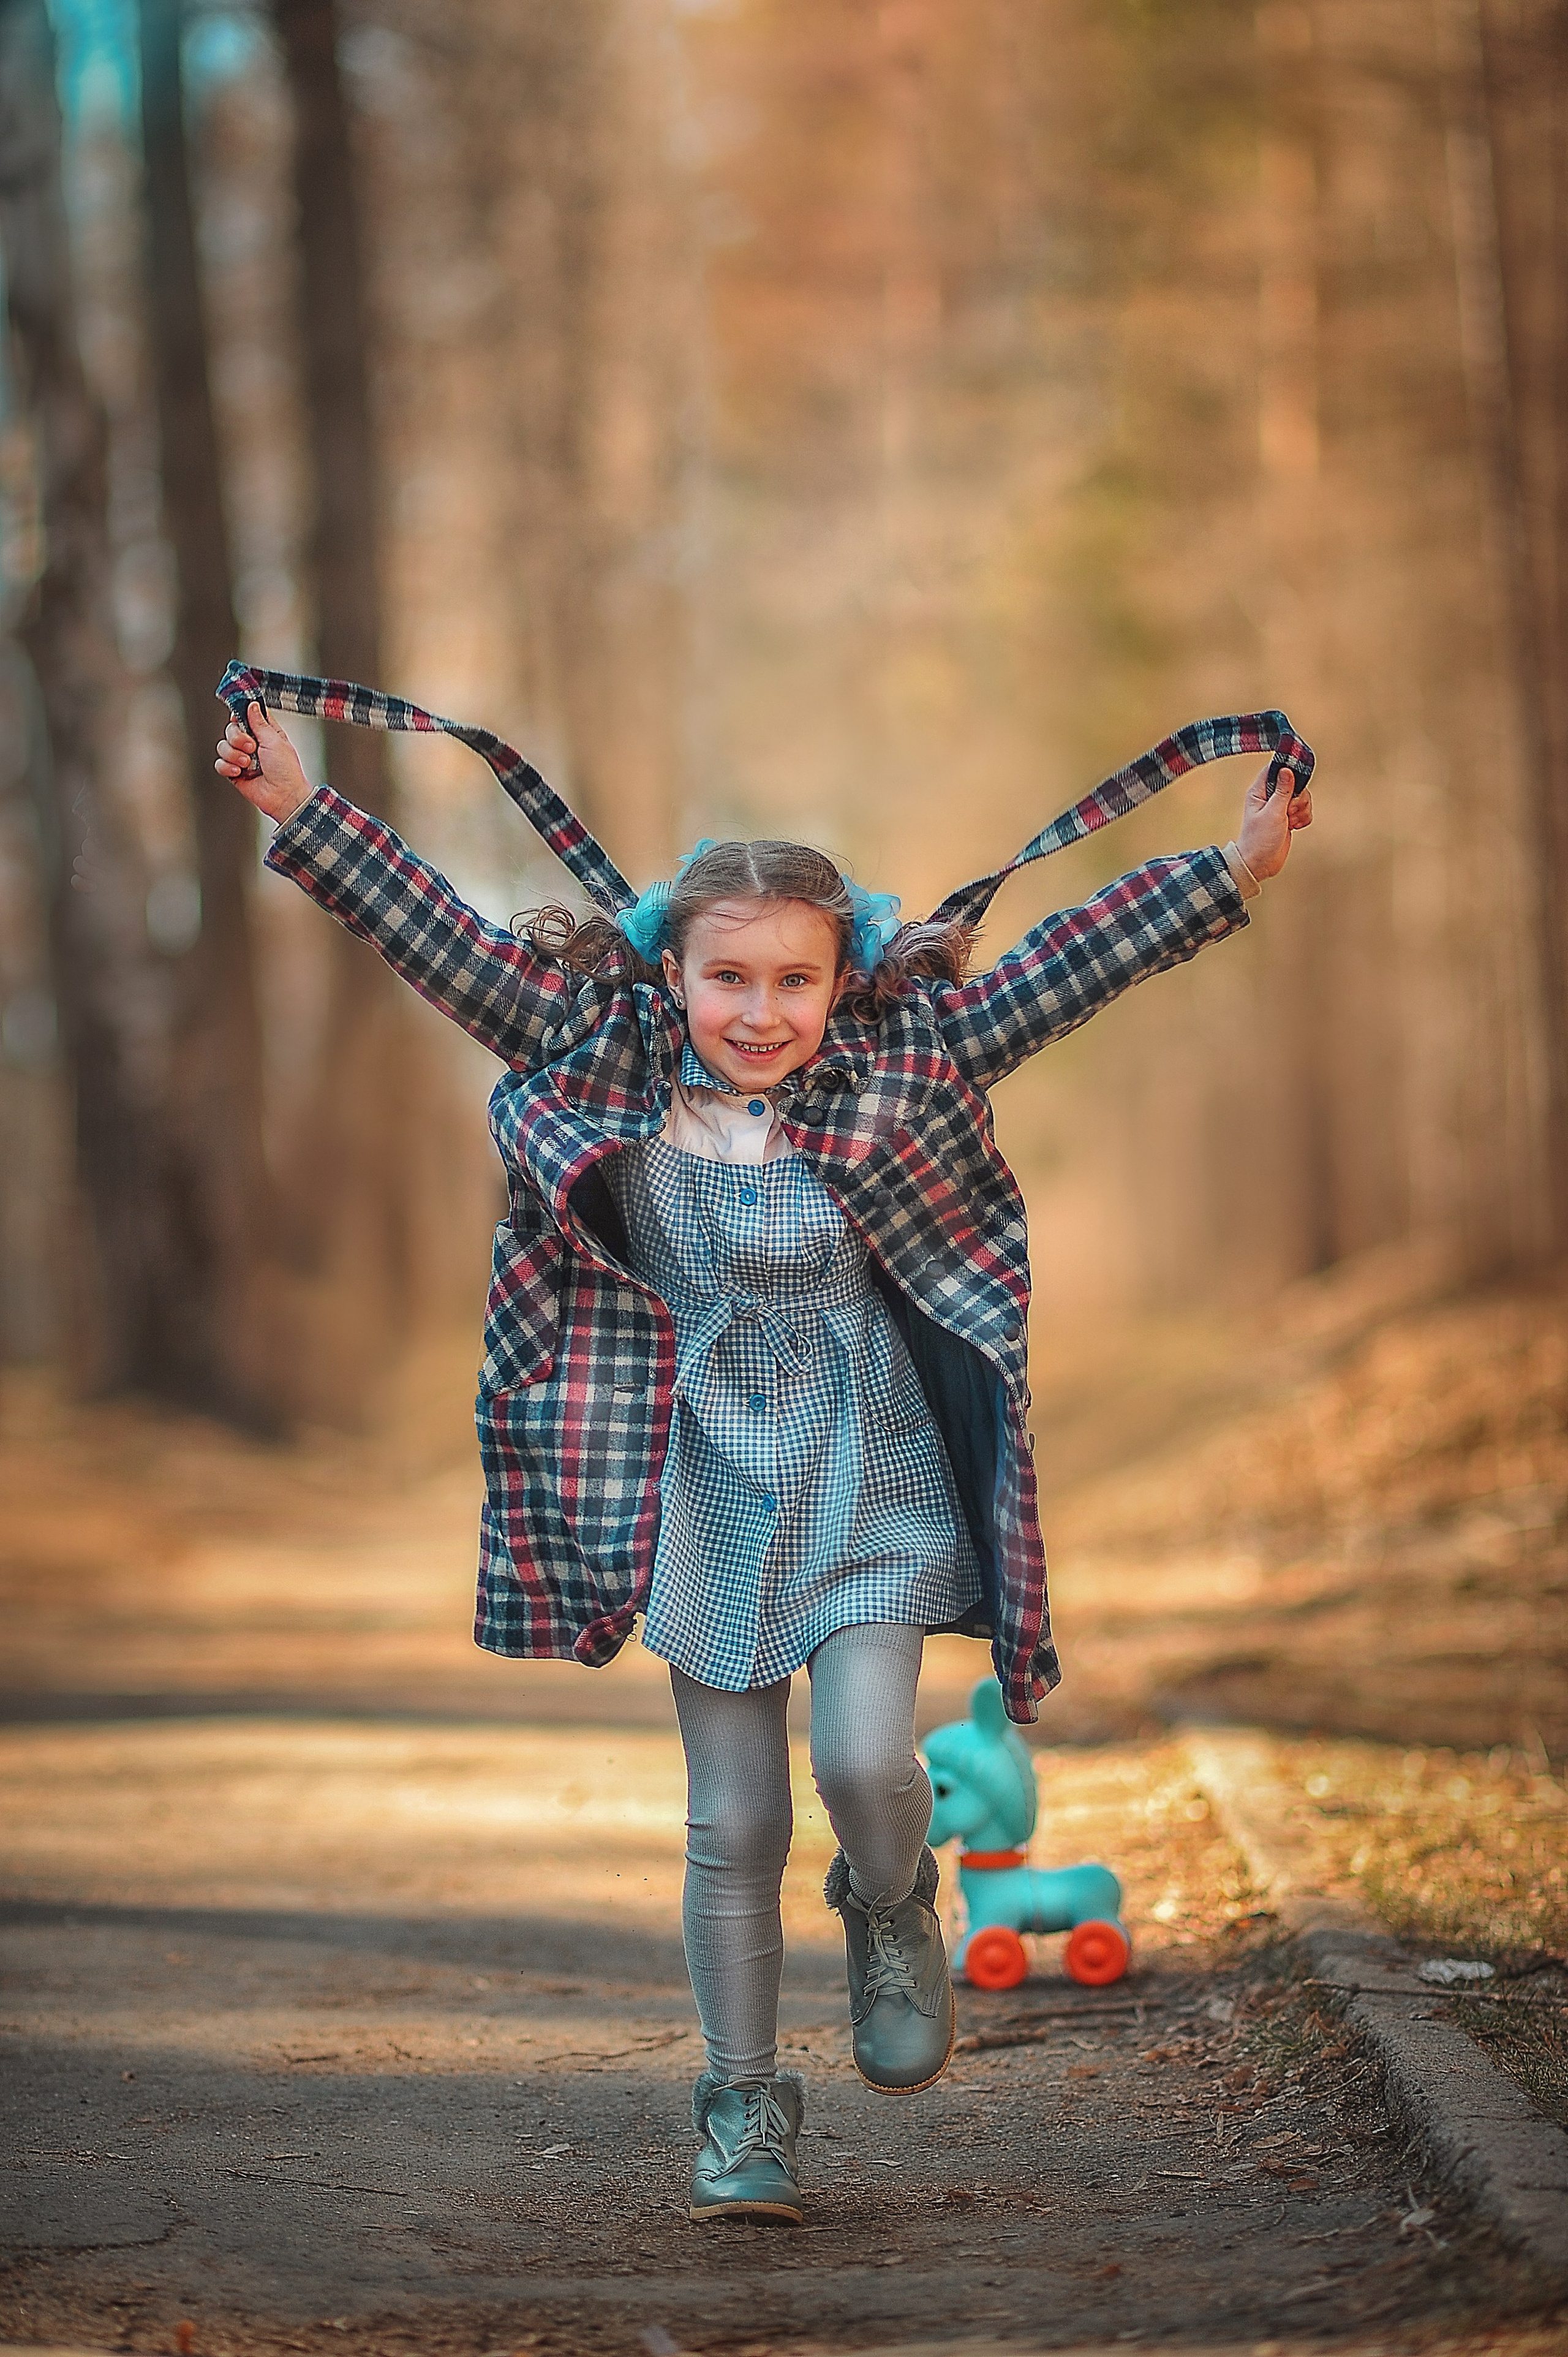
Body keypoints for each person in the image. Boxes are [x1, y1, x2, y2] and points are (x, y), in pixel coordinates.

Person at [215, 672, 1313, 2226]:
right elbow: (440, 936)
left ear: (838, 974)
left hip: (870, 1464)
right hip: (697, 1477)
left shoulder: (909, 1055)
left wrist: (1226, 869)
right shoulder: (595, 1052)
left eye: (793, 981)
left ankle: (890, 1900)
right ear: (668, 972)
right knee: (730, 1820)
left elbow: (1067, 966)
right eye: (726, 977)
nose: (758, 1012)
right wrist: (301, 811)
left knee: (866, 1759)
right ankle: (740, 2105)